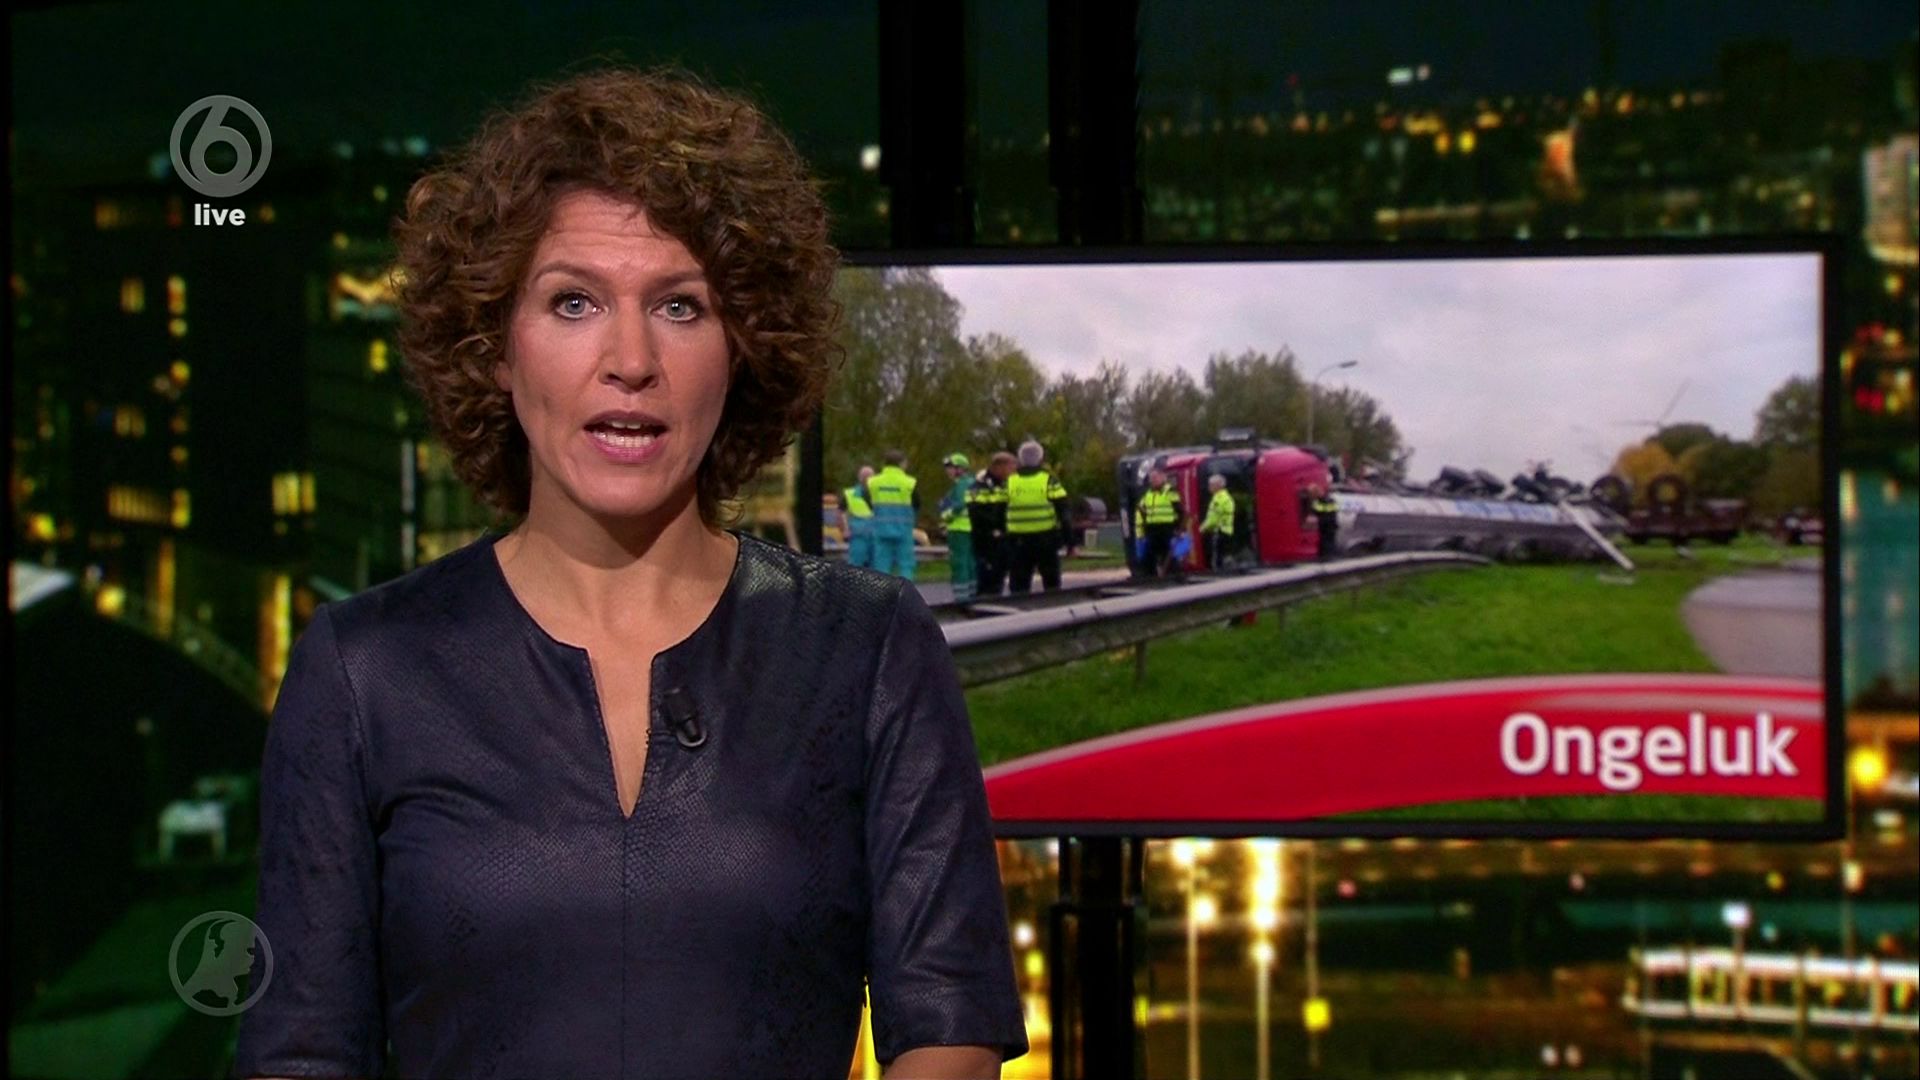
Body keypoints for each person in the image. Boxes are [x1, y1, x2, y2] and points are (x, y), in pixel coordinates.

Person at [233, 68, 1025, 1080]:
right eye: (573, 302)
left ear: (744, 347)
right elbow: (300, 1051)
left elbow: (950, 1026)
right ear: (496, 346)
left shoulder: (867, 645)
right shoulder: (362, 670)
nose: (631, 359)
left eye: (681, 306)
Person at [1003, 440, 1070, 594]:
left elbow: (999, 511)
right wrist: (1069, 542)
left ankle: (1020, 609)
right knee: (1051, 584)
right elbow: (1063, 512)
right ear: (1040, 459)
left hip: (1018, 540)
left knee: (1019, 586)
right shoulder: (1049, 481)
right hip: (1046, 539)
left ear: (1020, 460)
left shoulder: (1009, 482)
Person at [866, 449, 920, 580]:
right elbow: (917, 503)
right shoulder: (909, 482)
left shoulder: (873, 482)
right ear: (901, 463)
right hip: (904, 529)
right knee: (906, 565)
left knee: (881, 565)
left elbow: (868, 501)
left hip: (881, 529)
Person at [968, 451, 1015, 597]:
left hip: (1001, 540)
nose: (1012, 472)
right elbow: (976, 512)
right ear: (999, 467)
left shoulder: (1004, 485)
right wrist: (994, 528)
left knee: (998, 578)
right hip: (985, 540)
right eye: (1010, 467)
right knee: (986, 577)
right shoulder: (981, 485)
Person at [939, 452, 977, 604]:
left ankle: (962, 599)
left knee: (959, 563)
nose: (948, 471)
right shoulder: (973, 483)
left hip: (959, 529)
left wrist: (946, 515)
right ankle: (972, 595)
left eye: (951, 467)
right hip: (971, 528)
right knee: (970, 563)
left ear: (960, 469)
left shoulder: (961, 484)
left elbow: (960, 504)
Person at [1134, 467, 1185, 578]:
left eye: (1155, 477)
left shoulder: (1170, 492)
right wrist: (1145, 523)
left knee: (1168, 553)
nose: (1152, 480)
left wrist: (1178, 528)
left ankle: (1174, 575)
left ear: (1163, 478)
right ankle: (1150, 576)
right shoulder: (1148, 493)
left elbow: (1180, 511)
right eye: (1151, 478)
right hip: (1152, 528)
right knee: (1149, 553)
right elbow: (1141, 509)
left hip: (1166, 528)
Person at [1200, 473, 1236, 571]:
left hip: (1219, 531)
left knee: (1217, 557)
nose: (1209, 487)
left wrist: (1202, 528)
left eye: (1211, 485)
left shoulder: (1218, 499)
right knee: (1224, 554)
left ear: (1218, 486)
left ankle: (1219, 574)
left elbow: (1213, 519)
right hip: (1227, 530)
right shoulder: (1226, 497)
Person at [841, 464, 876, 568]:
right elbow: (842, 512)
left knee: (876, 567)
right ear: (860, 477)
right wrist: (845, 529)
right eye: (865, 475)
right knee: (856, 565)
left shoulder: (879, 493)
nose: (867, 478)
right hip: (858, 534)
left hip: (876, 535)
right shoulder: (850, 493)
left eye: (870, 475)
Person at [1313, 484, 1341, 561]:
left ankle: (1329, 559)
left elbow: (1329, 515)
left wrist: (1318, 520)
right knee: (1326, 544)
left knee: (1328, 544)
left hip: (1328, 527)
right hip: (1327, 527)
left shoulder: (1328, 501)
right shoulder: (1319, 501)